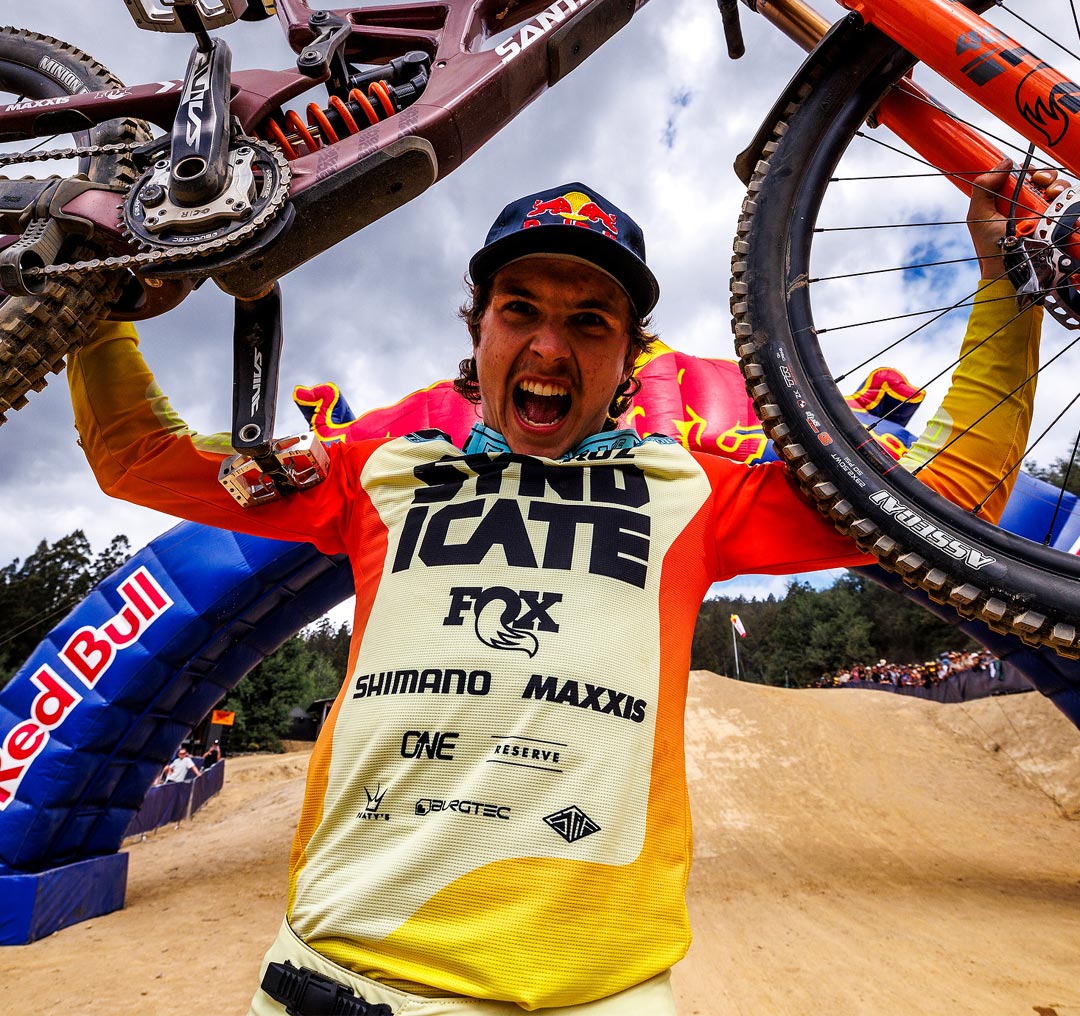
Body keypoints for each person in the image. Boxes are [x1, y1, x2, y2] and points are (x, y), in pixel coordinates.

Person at [67, 169, 1049, 1015]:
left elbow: (948, 492)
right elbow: (138, 458)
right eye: (520, 311)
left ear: (627, 358)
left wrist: (1007, 282)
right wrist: (93, 296)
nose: (548, 348)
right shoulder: (376, 471)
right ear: (479, 331)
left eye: (589, 322)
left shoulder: (692, 490)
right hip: (340, 978)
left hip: (597, 992)